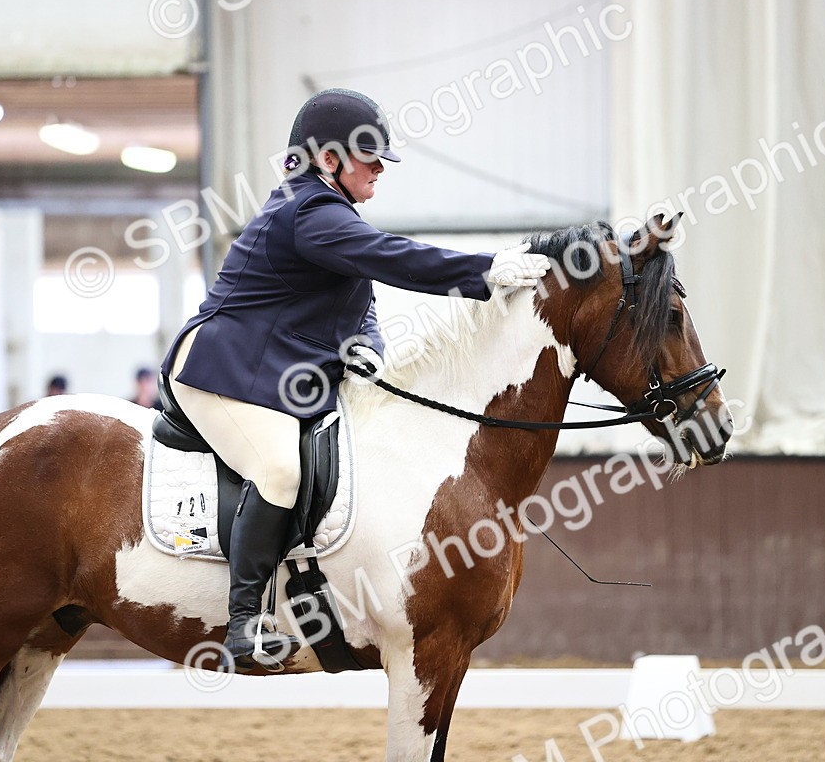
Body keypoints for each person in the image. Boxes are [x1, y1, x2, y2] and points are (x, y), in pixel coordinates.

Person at [160, 88, 550, 670]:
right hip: (222, 373)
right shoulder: (309, 213)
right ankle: (243, 621)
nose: (379, 170)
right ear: (328, 159)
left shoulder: (329, 215)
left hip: (276, 377)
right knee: (281, 470)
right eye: (369, 158)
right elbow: (390, 256)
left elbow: (362, 301)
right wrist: (482, 271)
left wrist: (366, 347)